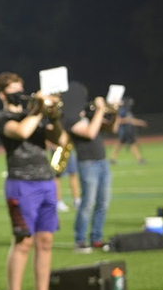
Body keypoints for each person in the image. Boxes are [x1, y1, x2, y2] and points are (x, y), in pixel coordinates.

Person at [0, 72, 66, 290]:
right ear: (2, 94)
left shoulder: (33, 115)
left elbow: (60, 139)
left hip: (46, 181)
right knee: (23, 242)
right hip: (21, 184)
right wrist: (39, 109)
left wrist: (53, 116)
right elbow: (22, 132)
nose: (19, 92)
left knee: (45, 241)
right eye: (14, 88)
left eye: (21, 87)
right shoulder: (2, 118)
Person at [63, 82, 115, 253]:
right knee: (87, 203)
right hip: (88, 164)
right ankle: (80, 240)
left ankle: (96, 238)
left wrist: (114, 112)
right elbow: (90, 132)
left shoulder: (87, 114)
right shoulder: (69, 119)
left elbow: (112, 128)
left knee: (103, 203)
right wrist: (100, 110)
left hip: (102, 162)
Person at [109, 97, 148, 164]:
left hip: (128, 130)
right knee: (127, 144)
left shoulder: (126, 111)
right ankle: (139, 159)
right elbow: (120, 120)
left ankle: (113, 159)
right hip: (124, 131)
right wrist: (138, 122)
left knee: (127, 144)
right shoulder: (123, 110)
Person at [54, 148, 81, 213]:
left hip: (68, 149)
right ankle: (58, 202)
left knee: (73, 172)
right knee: (56, 175)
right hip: (57, 149)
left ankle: (76, 200)